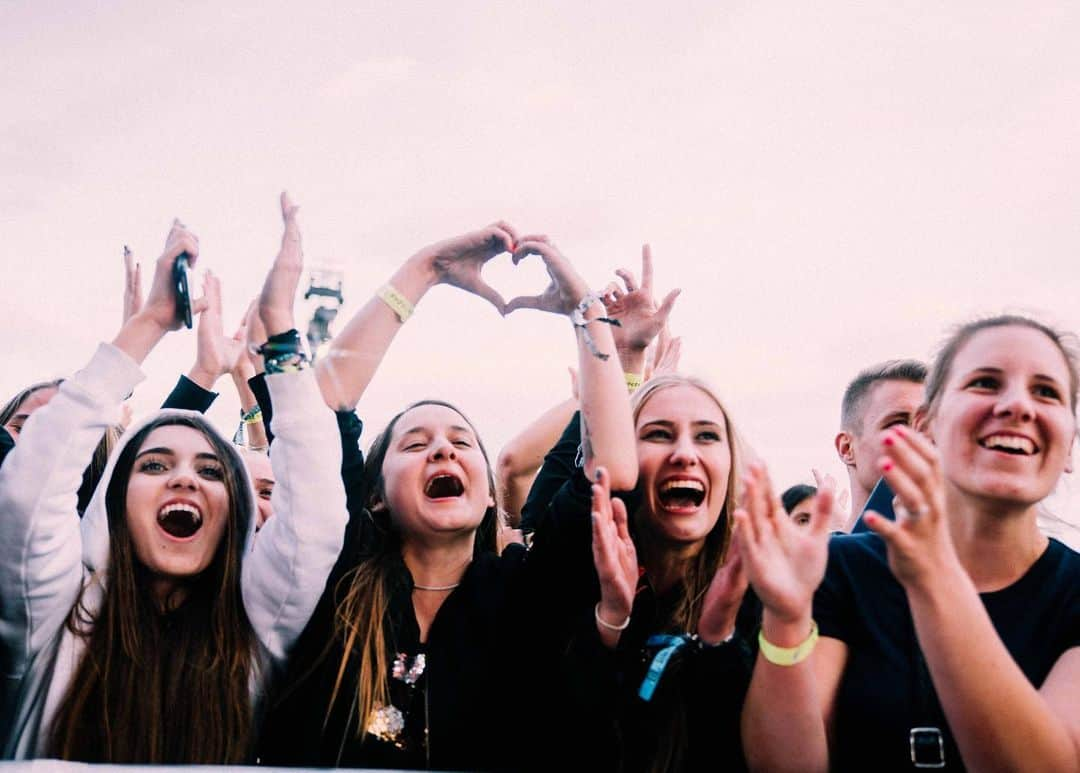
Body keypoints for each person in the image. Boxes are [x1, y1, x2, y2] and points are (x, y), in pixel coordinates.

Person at [260, 224, 637, 770]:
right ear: (377, 497)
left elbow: (610, 470)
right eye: (415, 444)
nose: (443, 450)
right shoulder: (335, 577)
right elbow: (322, 409)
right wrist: (425, 270)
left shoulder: (525, 590)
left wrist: (587, 314)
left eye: (463, 443)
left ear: (489, 497)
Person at [0, 196, 348, 763]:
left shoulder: (254, 625)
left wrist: (282, 330)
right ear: (115, 500)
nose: (184, 479)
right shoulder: (56, 610)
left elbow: (317, 518)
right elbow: (25, 492)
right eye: (155, 465)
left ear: (233, 512)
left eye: (211, 471)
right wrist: (150, 324)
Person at [740, 315, 1080, 771]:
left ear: (1070, 446)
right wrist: (784, 621)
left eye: (1047, 392)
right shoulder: (840, 568)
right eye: (985, 382)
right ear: (926, 427)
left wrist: (933, 578)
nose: (1018, 406)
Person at [835, 360, 927, 519]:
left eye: (927, 427)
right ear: (847, 448)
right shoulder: (818, 544)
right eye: (899, 425)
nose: (922, 441)